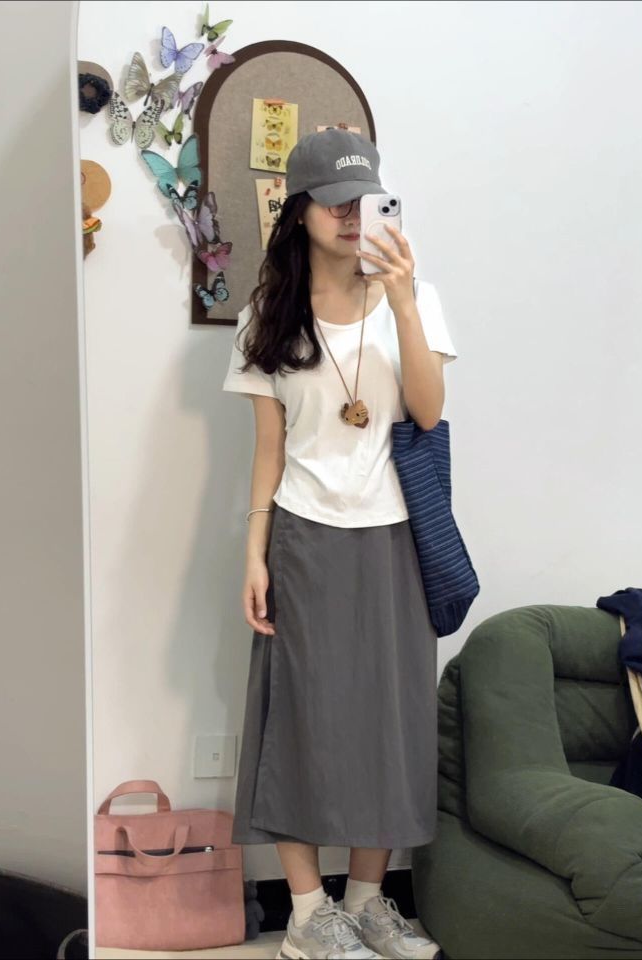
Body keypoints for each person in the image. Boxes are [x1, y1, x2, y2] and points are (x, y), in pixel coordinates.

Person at [222, 127, 457, 960]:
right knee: (300, 718)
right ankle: (306, 916)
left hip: (396, 535)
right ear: (300, 212)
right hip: (303, 534)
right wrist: (253, 554)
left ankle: (365, 905)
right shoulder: (266, 318)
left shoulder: (415, 298)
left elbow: (428, 411)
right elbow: (269, 450)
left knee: (389, 721)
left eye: (367, 200)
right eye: (335, 203)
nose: (355, 217)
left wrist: (402, 302)